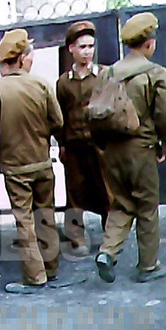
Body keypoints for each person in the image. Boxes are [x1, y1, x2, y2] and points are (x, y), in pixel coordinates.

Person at [0, 29, 63, 294]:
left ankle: (35, 276)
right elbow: (58, 121)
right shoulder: (41, 84)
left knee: (24, 220)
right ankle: (51, 268)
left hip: (15, 167)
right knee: (46, 215)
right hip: (42, 162)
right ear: (23, 59)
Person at [95, 12, 166, 283]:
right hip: (141, 149)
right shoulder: (155, 73)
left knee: (122, 204)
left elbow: (94, 113)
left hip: (112, 151)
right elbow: (164, 116)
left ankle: (107, 251)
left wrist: (102, 145)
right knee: (147, 206)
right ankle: (148, 266)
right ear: (149, 43)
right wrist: (164, 144)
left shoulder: (108, 73)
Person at [56, 21, 110, 256]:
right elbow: (59, 116)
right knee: (74, 194)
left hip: (100, 146)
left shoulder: (105, 75)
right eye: (82, 47)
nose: (87, 52)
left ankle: (111, 240)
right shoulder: (63, 83)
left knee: (107, 192)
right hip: (75, 146)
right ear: (71, 49)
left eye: (90, 46)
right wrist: (62, 144)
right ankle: (76, 238)